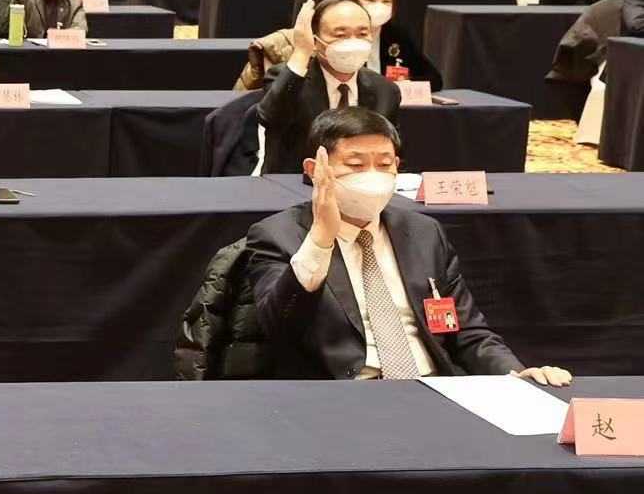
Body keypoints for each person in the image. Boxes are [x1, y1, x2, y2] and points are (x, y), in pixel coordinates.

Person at [243, 108, 571, 385]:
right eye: (356, 165)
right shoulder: (279, 235)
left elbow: (468, 332)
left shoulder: (424, 233)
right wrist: (321, 239)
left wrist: (513, 373)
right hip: (345, 394)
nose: (373, 176)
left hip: (435, 388)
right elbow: (279, 328)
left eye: (385, 164)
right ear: (315, 170)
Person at [257, 0, 401, 175]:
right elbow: (270, 117)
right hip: (296, 182)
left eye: (362, 34)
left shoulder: (385, 90)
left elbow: (390, 151)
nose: (353, 42)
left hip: (362, 183)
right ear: (315, 41)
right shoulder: (290, 78)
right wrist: (301, 52)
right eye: (340, 35)